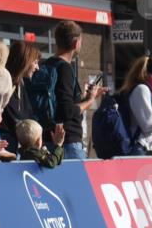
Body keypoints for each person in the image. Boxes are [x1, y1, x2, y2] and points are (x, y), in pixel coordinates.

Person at [36, 21, 106, 160]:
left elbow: (61, 103)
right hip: (68, 142)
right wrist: (90, 100)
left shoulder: (46, 64)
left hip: (47, 139)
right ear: (75, 43)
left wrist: (84, 97)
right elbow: (67, 111)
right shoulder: (65, 68)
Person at [0, 40, 41, 154]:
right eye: (35, 62)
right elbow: (15, 117)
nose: (37, 67)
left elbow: (27, 115)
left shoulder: (20, 84)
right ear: (25, 61)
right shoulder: (5, 83)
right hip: (5, 145)